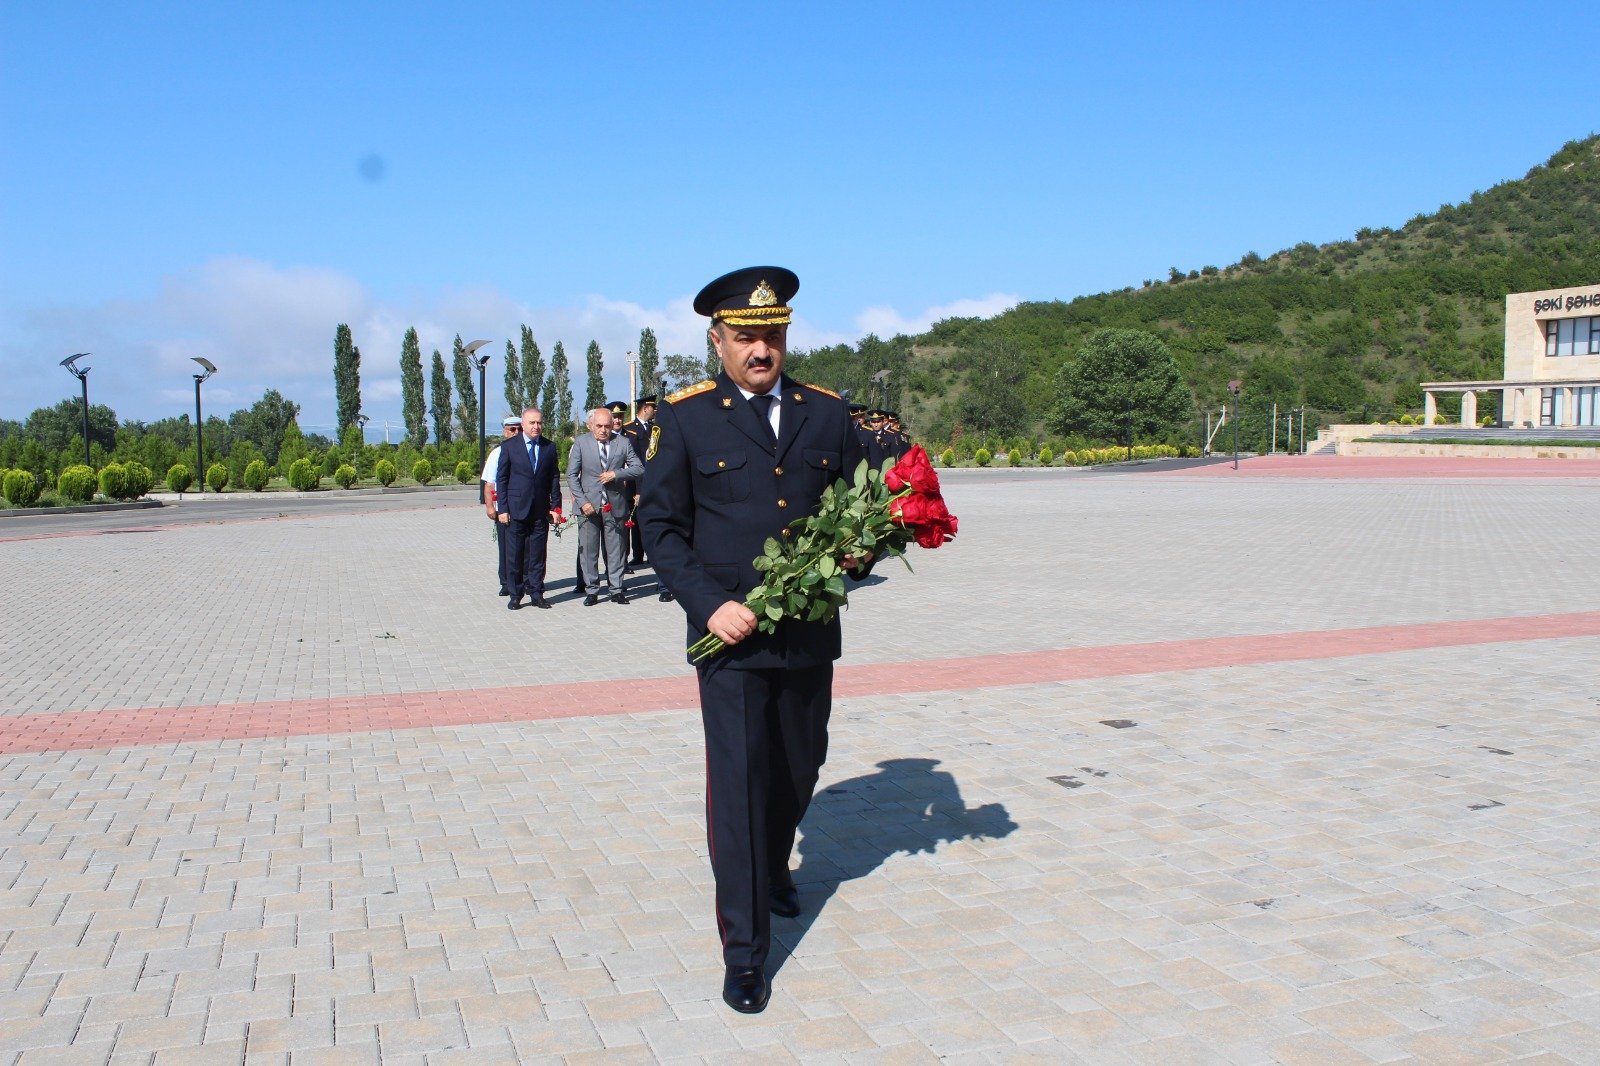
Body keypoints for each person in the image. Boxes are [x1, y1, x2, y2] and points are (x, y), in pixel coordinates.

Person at [638, 266, 872, 1015]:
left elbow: (867, 511)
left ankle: (775, 866)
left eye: (771, 335)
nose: (760, 349)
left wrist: (859, 550)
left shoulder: (828, 415)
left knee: (799, 769)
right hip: (731, 644)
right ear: (718, 341)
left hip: (807, 638)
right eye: (745, 337)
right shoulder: (686, 418)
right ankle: (745, 954)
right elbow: (661, 528)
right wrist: (708, 606)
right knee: (739, 790)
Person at [568, 407, 644, 605]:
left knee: (616, 550)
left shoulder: (623, 443)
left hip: (615, 505)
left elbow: (638, 468)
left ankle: (616, 589)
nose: (603, 430)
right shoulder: (581, 443)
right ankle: (592, 590)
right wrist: (583, 502)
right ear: (590, 426)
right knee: (589, 550)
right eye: (599, 426)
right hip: (588, 507)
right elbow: (571, 476)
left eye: (607, 426)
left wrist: (617, 474)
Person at [495, 407, 562, 610]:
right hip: (516, 510)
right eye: (532, 423)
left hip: (540, 510)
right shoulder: (509, 447)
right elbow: (502, 479)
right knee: (515, 553)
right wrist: (503, 509)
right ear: (523, 425)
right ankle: (516, 594)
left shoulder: (549, 447)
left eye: (539, 423)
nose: (536, 426)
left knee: (538, 554)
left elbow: (554, 478)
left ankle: (536, 593)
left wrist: (556, 507)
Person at [482, 416, 524, 596]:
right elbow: (489, 484)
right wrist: (491, 507)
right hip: (504, 507)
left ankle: (525, 580)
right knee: (506, 547)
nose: (516, 433)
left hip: (524, 506)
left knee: (526, 547)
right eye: (511, 429)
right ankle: (506, 582)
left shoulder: (527, 450)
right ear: (504, 431)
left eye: (519, 429)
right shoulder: (498, 453)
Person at [619, 395, 658, 570]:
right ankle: (632, 556)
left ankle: (646, 553)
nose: (654, 410)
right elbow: (634, 462)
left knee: (645, 519)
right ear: (644, 408)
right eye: (652, 407)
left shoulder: (654, 428)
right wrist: (637, 490)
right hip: (633, 484)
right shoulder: (629, 429)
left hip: (650, 482)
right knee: (629, 522)